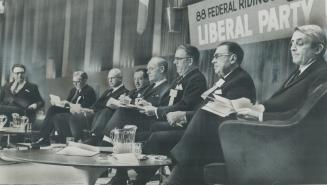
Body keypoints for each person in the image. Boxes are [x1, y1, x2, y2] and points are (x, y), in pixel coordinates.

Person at [164, 25, 327, 185]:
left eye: (300, 43)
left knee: (204, 120)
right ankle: (181, 171)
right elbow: (281, 102)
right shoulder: (302, 70)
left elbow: (307, 117)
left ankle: (177, 167)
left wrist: (261, 115)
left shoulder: (322, 73)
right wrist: (257, 108)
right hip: (270, 128)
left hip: (280, 136)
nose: (292, 48)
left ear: (318, 48)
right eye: (292, 43)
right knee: (203, 130)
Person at [132, 41, 257, 185]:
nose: (212, 60)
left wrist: (185, 115)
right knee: (157, 134)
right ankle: (155, 177)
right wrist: (185, 117)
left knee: (161, 140)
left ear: (233, 59)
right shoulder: (226, 79)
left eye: (217, 56)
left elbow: (223, 114)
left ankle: (173, 171)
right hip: (202, 131)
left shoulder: (240, 80)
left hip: (218, 139)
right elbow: (206, 108)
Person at [106, 45, 208, 185]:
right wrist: (149, 105)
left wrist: (156, 111)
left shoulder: (196, 79)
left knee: (142, 132)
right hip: (164, 119)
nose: (174, 62)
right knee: (129, 131)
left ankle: (136, 177)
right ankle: (121, 174)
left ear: (189, 61)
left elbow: (184, 106)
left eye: (178, 59)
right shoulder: (180, 78)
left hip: (179, 123)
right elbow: (166, 102)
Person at [84, 57, 171, 145]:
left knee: (122, 111)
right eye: (148, 69)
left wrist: (143, 105)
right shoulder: (150, 87)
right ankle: (96, 138)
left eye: (151, 69)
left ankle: (106, 142)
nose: (148, 72)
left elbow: (162, 108)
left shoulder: (167, 88)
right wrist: (128, 101)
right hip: (138, 115)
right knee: (108, 110)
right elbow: (139, 100)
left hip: (148, 119)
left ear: (161, 69)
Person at [53, 68, 128, 143]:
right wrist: (88, 109)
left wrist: (91, 110)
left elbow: (113, 109)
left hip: (103, 116)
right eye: (109, 78)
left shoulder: (125, 92)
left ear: (120, 79)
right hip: (94, 112)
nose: (110, 80)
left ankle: (82, 139)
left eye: (112, 78)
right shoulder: (108, 91)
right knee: (58, 117)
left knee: (74, 117)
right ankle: (64, 140)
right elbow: (97, 104)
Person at [83, 67, 152, 145]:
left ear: (147, 79)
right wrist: (122, 101)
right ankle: (95, 137)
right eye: (135, 79)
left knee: (108, 111)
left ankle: (102, 139)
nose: (137, 82)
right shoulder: (132, 91)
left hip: (136, 117)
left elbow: (145, 105)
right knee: (106, 110)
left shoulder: (148, 91)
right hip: (124, 113)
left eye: (140, 79)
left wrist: (129, 102)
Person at [32, 71, 96, 146]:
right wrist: (59, 103)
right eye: (74, 82)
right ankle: (43, 137)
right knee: (53, 109)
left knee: (54, 111)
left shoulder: (89, 90)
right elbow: (67, 102)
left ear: (85, 80)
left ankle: (43, 137)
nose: (75, 84)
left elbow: (85, 106)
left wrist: (69, 104)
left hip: (79, 113)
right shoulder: (73, 90)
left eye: (78, 82)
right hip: (70, 110)